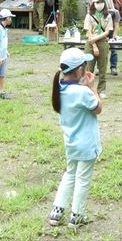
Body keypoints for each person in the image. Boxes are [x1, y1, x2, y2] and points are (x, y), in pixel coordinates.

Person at [48, 48, 102, 229]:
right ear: (80, 70)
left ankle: (57, 211)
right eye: (84, 65)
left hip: (71, 144)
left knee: (70, 173)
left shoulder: (59, 90)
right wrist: (92, 87)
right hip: (87, 145)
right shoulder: (82, 93)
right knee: (83, 179)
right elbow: (98, 108)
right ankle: (76, 216)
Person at [83, 0, 113, 98]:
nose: (99, 4)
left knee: (102, 68)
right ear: (93, 4)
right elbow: (88, 32)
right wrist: (94, 45)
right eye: (97, 2)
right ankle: (87, 89)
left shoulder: (108, 16)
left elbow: (107, 32)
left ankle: (101, 90)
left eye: (101, 2)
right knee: (88, 68)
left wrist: (96, 39)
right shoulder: (89, 16)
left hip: (103, 43)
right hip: (91, 44)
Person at [108, 8, 121, 75]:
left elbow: (116, 25)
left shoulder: (116, 12)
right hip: (102, 30)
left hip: (112, 31)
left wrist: (114, 36)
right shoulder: (99, 11)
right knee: (101, 50)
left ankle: (113, 67)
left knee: (114, 49)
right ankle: (100, 68)